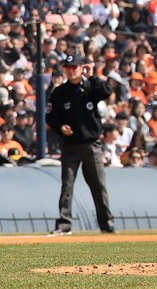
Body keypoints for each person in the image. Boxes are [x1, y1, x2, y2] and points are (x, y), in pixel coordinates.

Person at [48, 50, 115, 235]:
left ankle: (106, 223)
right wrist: (60, 127)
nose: (71, 71)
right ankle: (64, 224)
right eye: (68, 68)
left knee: (98, 185)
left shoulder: (90, 87)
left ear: (81, 68)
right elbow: (51, 116)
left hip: (91, 144)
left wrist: (94, 76)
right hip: (70, 146)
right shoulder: (60, 92)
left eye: (74, 67)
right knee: (67, 185)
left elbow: (107, 91)